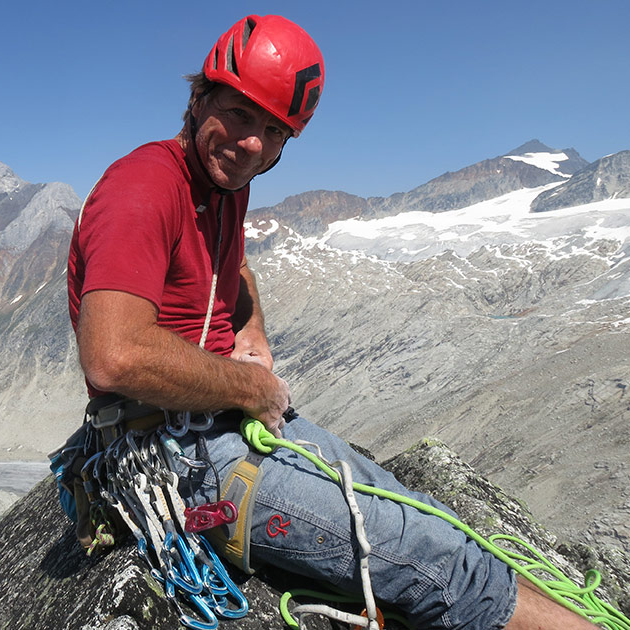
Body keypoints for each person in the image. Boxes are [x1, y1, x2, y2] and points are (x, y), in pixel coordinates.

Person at [66, 14, 597, 630]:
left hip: (220, 425)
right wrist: (253, 387)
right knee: (433, 564)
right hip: (171, 457)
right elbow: (113, 354)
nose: (253, 146)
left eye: (274, 131)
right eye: (240, 115)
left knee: (415, 511)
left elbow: (234, 273)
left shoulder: (223, 185)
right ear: (197, 97)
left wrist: (252, 333)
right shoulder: (142, 189)